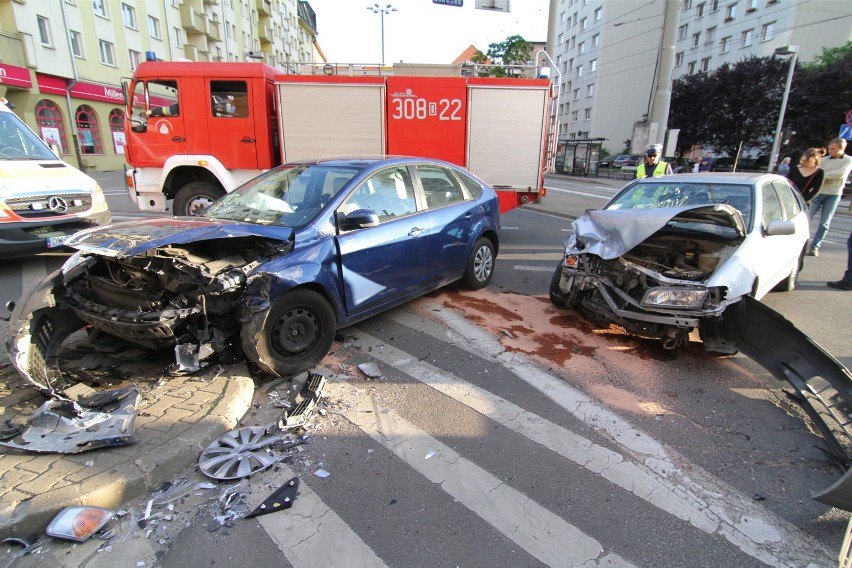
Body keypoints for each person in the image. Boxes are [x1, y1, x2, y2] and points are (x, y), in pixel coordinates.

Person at [809, 138, 852, 256]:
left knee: (824, 222)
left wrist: (822, 176)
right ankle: (801, 241)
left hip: (833, 193)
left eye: (833, 149)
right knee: (807, 217)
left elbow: (841, 174)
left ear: (841, 148)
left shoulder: (848, 160)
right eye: (829, 148)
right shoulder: (824, 160)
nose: (830, 151)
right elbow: (816, 173)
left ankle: (815, 246)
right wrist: (823, 176)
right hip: (819, 192)